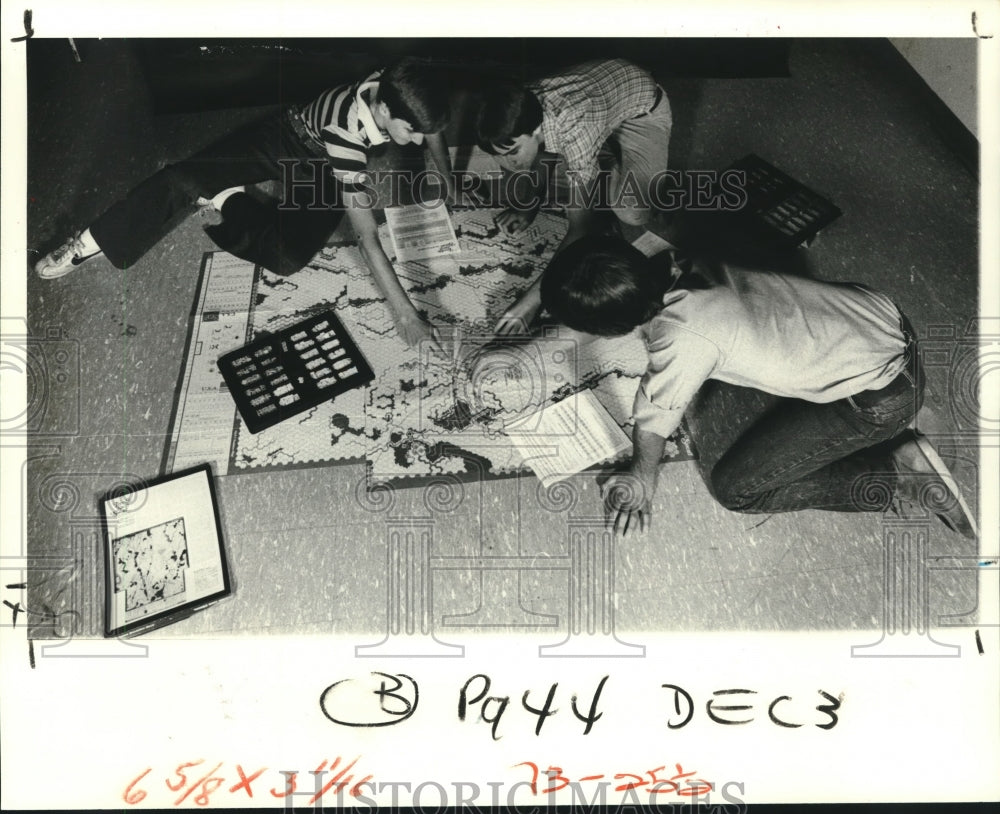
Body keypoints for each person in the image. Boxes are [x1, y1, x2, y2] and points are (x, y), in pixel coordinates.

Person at [538, 235, 978, 540]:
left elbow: (655, 419)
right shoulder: (670, 261)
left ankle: (897, 473)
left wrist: (642, 474)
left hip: (881, 395)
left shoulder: (682, 336)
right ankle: (896, 427)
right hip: (881, 320)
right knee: (731, 377)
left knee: (740, 490)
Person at [33, 57, 457, 349]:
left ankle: (227, 196)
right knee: (180, 178)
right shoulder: (348, 135)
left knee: (287, 257)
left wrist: (448, 178)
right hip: (287, 138)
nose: (418, 140)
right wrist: (407, 317)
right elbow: (367, 239)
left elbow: (430, 123)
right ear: (383, 108)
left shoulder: (400, 82)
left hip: (321, 168)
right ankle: (91, 241)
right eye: (410, 131)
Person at [475, 58, 672, 336]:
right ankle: (595, 157)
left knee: (631, 212)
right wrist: (527, 207)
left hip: (641, 113)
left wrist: (529, 304)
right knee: (545, 161)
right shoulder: (518, 110)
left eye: (511, 152)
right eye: (498, 155)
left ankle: (611, 160)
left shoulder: (576, 127)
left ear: (535, 130)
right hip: (600, 101)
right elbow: (540, 152)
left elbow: (581, 228)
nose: (508, 165)